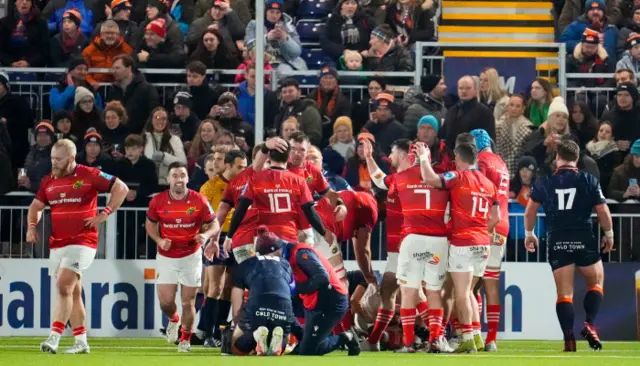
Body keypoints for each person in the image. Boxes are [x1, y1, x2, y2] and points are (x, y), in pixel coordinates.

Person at [27, 139, 128, 354]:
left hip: (83, 241)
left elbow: (121, 188)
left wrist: (104, 214)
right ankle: (81, 342)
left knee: (63, 286)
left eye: (58, 159)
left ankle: (54, 337)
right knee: (73, 292)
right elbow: (36, 206)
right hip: (58, 242)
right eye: (52, 158)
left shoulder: (89, 174)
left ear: (72, 158)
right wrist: (32, 226)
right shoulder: (48, 180)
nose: (54, 162)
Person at [523, 139, 614, 352]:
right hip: (583, 237)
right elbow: (602, 210)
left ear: (557, 158)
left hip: (557, 240)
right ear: (577, 159)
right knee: (596, 282)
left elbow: (530, 211)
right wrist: (609, 234)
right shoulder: (588, 180)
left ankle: (569, 339)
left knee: (564, 294)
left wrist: (530, 234)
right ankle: (590, 323)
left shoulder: (544, 182)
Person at [364, 137, 451, 353]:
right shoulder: (439, 180)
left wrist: (368, 157)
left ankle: (409, 340)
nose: (390, 157)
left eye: (392, 153)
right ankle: (437, 337)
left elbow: (378, 180)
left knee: (404, 292)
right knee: (427, 292)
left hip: (406, 243)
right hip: (436, 241)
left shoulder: (399, 180)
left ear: (404, 156)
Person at [417, 136, 500, 353]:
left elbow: (430, 179)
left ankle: (467, 339)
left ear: (457, 158)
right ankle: (477, 336)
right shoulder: (489, 184)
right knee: (470, 291)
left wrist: (424, 158)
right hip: (483, 243)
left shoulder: (458, 176)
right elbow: (496, 217)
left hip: (463, 241)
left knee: (461, 293)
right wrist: (482, 228)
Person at [146, 161, 220, 352]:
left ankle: (185, 339)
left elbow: (215, 225)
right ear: (168, 179)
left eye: (182, 176)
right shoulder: (158, 201)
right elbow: (150, 225)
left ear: (188, 178)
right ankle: (173, 319)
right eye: (175, 176)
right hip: (166, 256)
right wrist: (159, 240)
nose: (179, 179)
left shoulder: (199, 200)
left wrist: (205, 235)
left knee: (188, 301)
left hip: (191, 256)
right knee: (166, 302)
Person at [255, 228, 361, 356]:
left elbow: (322, 278)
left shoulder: (300, 253)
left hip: (331, 302)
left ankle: (346, 337)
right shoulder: (283, 255)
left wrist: (293, 288)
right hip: (313, 300)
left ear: (274, 250)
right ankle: (303, 340)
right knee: (279, 307)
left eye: (267, 257)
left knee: (308, 352)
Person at [223, 138, 333, 254]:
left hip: (265, 239)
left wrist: (229, 236)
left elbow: (241, 208)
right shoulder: (298, 181)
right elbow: (308, 210)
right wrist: (324, 232)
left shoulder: (255, 179)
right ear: (288, 157)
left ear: (269, 158)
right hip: (288, 237)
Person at [197, 149, 247, 347]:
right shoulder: (210, 187)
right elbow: (202, 217)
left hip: (238, 238)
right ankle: (207, 333)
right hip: (217, 238)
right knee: (214, 286)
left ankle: (219, 332)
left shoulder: (245, 185)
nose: (244, 171)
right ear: (228, 165)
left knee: (229, 287)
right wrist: (209, 238)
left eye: (245, 167)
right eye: (240, 167)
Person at [469, 129, 510, 352]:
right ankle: (491, 339)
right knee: (491, 282)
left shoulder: (481, 161)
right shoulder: (501, 162)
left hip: (485, 223)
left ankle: (472, 332)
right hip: (503, 224)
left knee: (468, 284)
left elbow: (479, 190)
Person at [226, 233, 294, 356]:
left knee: (236, 346)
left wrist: (237, 321)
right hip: (284, 306)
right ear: (273, 249)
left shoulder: (246, 263)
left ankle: (255, 336)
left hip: (258, 305)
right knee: (283, 335)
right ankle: (279, 344)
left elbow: (237, 295)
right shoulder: (286, 264)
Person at [244, 0, 308, 77]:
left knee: (286, 72)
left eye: (278, 13)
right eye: (271, 12)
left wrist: (286, 38)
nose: (274, 16)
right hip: (260, 63)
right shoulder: (253, 25)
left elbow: (297, 52)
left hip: (283, 62)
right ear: (266, 12)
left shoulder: (288, 27)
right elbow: (249, 46)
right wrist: (267, 38)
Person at [440, 75, 496, 153]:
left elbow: (490, 141)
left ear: (476, 90)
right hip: (451, 160)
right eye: (461, 88)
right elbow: (444, 134)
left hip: (474, 160)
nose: (464, 91)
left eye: (468, 88)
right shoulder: (452, 110)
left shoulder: (484, 112)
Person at [108, 54, 160, 134]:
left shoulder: (147, 89)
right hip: (119, 137)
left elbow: (153, 113)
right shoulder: (112, 90)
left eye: (117, 68)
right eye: (113, 68)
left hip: (141, 137)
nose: (114, 71)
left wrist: (145, 134)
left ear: (129, 69)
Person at [144, 107, 188, 188]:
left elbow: (183, 162)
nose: (160, 121)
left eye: (164, 119)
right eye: (157, 118)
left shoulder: (174, 139)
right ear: (151, 120)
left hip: (168, 185)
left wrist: (164, 156)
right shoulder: (144, 138)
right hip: (146, 184)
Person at [0, 71, 34, 172]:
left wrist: (7, 122)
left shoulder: (17, 101)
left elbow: (29, 120)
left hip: (16, 149)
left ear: (5, 86)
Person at [273, 78, 323, 146]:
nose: (287, 94)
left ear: (299, 92)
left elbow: (315, 136)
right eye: (284, 92)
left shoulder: (309, 111)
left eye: (290, 91)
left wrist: (296, 144)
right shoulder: (281, 112)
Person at [0, 0, 49, 67]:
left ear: (31, 3)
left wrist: (29, 62)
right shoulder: (3, 23)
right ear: (15, 2)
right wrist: (11, 63)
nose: (24, 2)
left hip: (34, 67)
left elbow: (44, 50)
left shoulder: (41, 23)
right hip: (8, 67)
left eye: (28, 0)